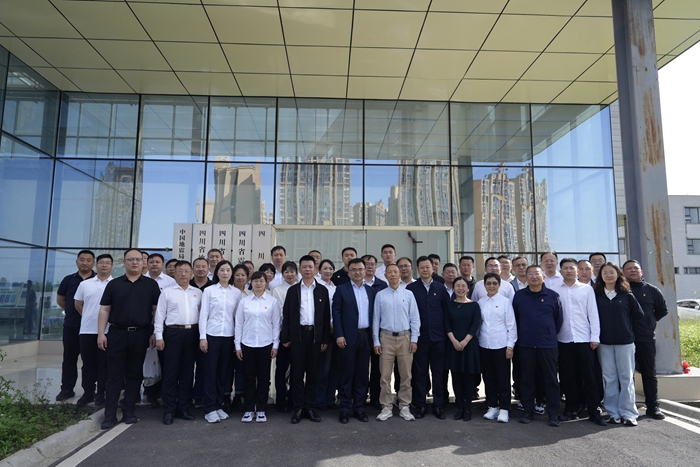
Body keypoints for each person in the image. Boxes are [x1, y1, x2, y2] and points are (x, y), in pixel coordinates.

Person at [98, 249, 160, 430]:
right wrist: (101, 333)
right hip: (116, 334)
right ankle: (109, 415)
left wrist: (155, 333)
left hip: (140, 334)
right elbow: (104, 309)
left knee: (135, 374)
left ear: (143, 262)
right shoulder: (114, 284)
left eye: (138, 259)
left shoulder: (151, 285)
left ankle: (129, 411)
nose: (134, 262)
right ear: (124, 262)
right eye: (130, 259)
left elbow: (156, 311)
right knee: (114, 376)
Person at [554, 258, 606, 426]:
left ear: (577, 271)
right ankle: (571, 409)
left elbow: (593, 314)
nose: (569, 271)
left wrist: (595, 337)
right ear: (560, 271)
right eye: (565, 268)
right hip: (563, 339)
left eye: (572, 268)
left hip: (584, 339)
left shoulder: (587, 289)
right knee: (568, 377)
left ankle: (594, 410)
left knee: (589, 376)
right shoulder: (554, 290)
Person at [281, 255, 331, 424]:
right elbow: (287, 315)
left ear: (315, 269)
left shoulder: (322, 290)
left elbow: (326, 317)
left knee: (312, 373)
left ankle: (309, 406)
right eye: (304, 266)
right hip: (298, 336)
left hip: (315, 337)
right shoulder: (293, 290)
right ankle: (298, 407)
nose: (308, 269)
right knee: (296, 373)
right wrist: (286, 337)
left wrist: (324, 339)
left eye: (310, 266)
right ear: (300, 270)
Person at [593, 262, 644, 426]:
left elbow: (639, 315)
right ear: (601, 276)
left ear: (618, 274)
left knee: (626, 378)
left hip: (625, 343)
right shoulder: (597, 296)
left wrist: (626, 329)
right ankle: (613, 413)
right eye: (605, 273)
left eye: (611, 272)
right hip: (604, 343)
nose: (608, 275)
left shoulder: (626, 295)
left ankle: (629, 413)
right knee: (609, 378)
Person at [512, 265, 562, 427]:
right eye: (530, 274)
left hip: (547, 344)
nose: (534, 277)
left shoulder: (553, 296)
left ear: (543, 277)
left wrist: (548, 333)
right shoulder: (519, 296)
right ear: (526, 277)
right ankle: (528, 411)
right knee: (526, 378)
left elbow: (558, 320)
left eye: (537, 274)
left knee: (551, 379)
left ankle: (553, 413)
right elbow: (515, 319)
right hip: (525, 344)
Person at [155, 260, 202, 425]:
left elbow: (203, 315)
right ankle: (169, 410)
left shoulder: (198, 292)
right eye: (180, 271)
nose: (183, 274)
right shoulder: (167, 292)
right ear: (174, 273)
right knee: (171, 372)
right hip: (172, 333)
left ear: (191, 273)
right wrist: (159, 336)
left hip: (192, 333)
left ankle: (183, 408)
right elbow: (159, 315)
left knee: (187, 372)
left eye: (186, 271)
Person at [373, 263, 420, 422]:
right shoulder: (380, 295)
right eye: (390, 272)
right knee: (385, 375)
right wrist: (376, 341)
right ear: (385, 275)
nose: (393, 274)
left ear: (400, 274)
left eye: (395, 272)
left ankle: (404, 406)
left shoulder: (408, 294)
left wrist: (414, 339)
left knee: (406, 375)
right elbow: (375, 319)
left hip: (405, 338)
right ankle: (386, 406)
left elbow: (415, 318)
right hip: (386, 338)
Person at [622, 259, 669, 420]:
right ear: (623, 273)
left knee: (649, 374)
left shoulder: (651, 290)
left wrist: (649, 322)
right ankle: (628, 407)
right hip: (624, 339)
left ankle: (653, 407)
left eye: (635, 268)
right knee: (627, 375)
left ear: (641, 271)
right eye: (629, 268)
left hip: (645, 338)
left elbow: (662, 310)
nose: (632, 270)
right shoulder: (621, 290)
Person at [332, 258, 376, 424]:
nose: (357, 272)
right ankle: (344, 408)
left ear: (365, 271)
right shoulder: (341, 289)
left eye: (360, 269)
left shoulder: (370, 291)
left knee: (362, 374)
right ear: (348, 272)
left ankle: (359, 408)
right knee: (346, 374)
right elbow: (336, 313)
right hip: (347, 337)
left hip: (366, 337)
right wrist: (339, 334)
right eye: (354, 270)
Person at [407, 256, 450, 420]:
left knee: (438, 372)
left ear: (433, 269)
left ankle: (438, 405)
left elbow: (446, 312)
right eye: (422, 267)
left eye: (428, 267)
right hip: (420, 338)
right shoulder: (411, 288)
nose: (425, 270)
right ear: (418, 270)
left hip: (439, 338)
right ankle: (421, 405)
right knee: (420, 372)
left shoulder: (441, 288)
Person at [199, 260, 242, 423]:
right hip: (212, 335)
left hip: (229, 336)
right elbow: (203, 314)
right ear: (216, 272)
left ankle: (218, 405)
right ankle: (209, 408)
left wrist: (237, 341)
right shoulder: (209, 291)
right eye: (222, 270)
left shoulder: (236, 293)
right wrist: (203, 337)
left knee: (223, 373)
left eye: (228, 270)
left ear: (231, 274)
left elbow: (238, 319)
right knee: (211, 372)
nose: (225, 273)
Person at [235, 271, 281, 423]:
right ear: (251, 283)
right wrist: (237, 345)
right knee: (248, 377)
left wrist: (275, 345)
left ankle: (261, 408)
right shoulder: (244, 301)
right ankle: (249, 409)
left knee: (263, 378)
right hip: (247, 344)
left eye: (261, 281)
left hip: (265, 344)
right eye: (255, 281)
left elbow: (276, 325)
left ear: (266, 282)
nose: (258, 283)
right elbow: (239, 324)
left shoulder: (272, 301)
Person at [74, 253, 113, 407]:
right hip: (87, 330)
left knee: (104, 364)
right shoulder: (85, 284)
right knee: (88, 363)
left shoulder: (115, 284)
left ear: (112, 266)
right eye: (101, 262)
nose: (104, 265)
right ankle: (88, 392)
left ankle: (101, 393)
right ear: (96, 265)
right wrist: (88, 317)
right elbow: (78, 304)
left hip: (108, 331)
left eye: (107, 263)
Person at [56, 249, 96, 402]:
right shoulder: (68, 280)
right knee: (69, 358)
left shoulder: (97, 279)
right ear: (77, 262)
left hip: (91, 327)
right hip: (72, 325)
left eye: (88, 260)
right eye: (82, 259)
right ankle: (67, 389)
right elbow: (61, 300)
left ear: (93, 263)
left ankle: (89, 391)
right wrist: (72, 311)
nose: (85, 263)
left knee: (90, 360)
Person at [477, 273, 517, 424]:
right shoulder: (480, 302)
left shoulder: (505, 302)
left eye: (494, 283)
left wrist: (510, 346)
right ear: (484, 285)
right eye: (488, 283)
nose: (491, 286)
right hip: (484, 345)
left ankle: (505, 408)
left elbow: (511, 325)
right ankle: (493, 406)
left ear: (499, 285)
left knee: (503, 378)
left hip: (501, 345)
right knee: (489, 378)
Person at [445, 276, 481, 421]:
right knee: (456, 377)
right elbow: (446, 323)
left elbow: (475, 324)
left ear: (468, 288)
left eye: (463, 286)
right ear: (453, 288)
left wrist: (465, 341)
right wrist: (454, 340)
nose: (460, 288)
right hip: (453, 344)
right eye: (457, 286)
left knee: (469, 377)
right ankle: (459, 407)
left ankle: (467, 408)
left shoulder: (474, 305)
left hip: (469, 344)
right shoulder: (449, 305)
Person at [362, 254, 388, 409]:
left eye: (372, 264)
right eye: (367, 264)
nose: (370, 267)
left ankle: (375, 397)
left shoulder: (382, 285)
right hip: (363, 331)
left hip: (379, 332)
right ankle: (361, 396)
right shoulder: (357, 285)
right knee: (362, 366)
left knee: (378, 367)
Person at [272, 261, 298, 412]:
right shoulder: (278, 290)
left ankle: (293, 398)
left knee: (297, 368)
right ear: (282, 274)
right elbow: (280, 312)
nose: (289, 274)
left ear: (296, 273)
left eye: (292, 271)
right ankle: (281, 399)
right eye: (286, 272)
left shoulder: (301, 288)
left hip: (299, 334)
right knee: (281, 368)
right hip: (283, 332)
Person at [316, 259, 341, 410]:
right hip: (324, 332)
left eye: (330, 268)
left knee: (335, 367)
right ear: (319, 271)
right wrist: (328, 326)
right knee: (323, 368)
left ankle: (331, 398)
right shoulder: (317, 287)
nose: (328, 271)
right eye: (325, 268)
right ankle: (320, 400)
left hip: (337, 332)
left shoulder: (336, 288)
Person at [227, 263, 251, 412]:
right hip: (227, 334)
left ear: (248, 277)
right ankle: (226, 396)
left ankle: (239, 396)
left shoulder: (251, 294)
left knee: (242, 368)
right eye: (237, 275)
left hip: (244, 337)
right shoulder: (228, 292)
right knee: (227, 368)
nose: (240, 277)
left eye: (243, 275)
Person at [190, 257, 214, 408]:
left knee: (204, 366)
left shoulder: (213, 287)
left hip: (206, 332)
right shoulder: (186, 285)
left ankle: (199, 396)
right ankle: (185, 397)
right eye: (197, 267)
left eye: (203, 267)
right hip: (188, 330)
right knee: (186, 366)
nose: (200, 269)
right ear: (193, 269)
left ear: (208, 269)